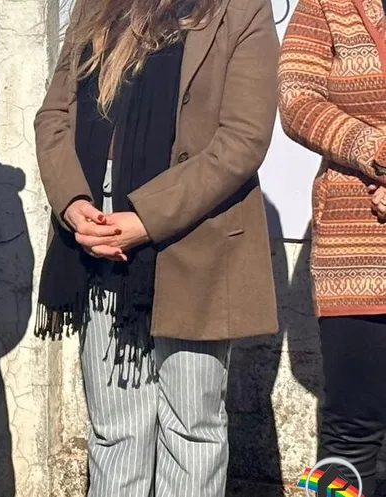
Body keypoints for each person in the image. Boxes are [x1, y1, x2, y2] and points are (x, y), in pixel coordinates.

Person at [34, 0, 279, 495]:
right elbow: (54, 115)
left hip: (193, 240)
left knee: (191, 428)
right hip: (98, 238)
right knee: (114, 432)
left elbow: (243, 138)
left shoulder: (241, 9)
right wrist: (74, 203)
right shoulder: (96, 7)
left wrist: (146, 218)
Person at [280, 0, 386, 492]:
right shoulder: (327, 4)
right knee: (351, 428)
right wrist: (378, 152)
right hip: (357, 246)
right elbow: (297, 100)